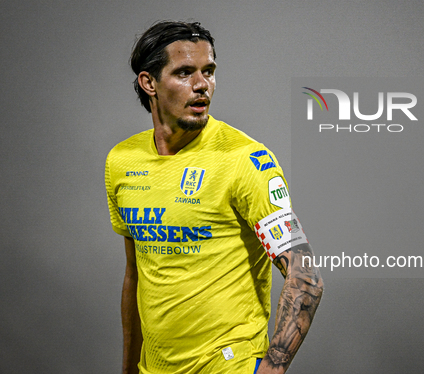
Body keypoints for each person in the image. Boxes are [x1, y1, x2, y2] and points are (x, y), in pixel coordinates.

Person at [104, 21, 323, 374]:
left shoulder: (246, 161)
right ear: (149, 83)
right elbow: (136, 273)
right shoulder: (121, 161)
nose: (202, 84)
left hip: (227, 364)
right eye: (184, 72)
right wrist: (129, 368)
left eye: (208, 71)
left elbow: (305, 275)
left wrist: (272, 368)